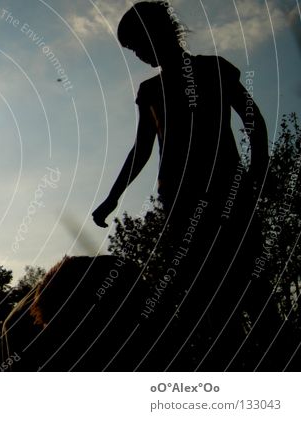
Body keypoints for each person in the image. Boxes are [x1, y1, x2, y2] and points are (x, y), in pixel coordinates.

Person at [91, 1, 270, 369]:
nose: (139, 55)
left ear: (161, 33)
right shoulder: (150, 91)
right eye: (132, 51)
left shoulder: (214, 69)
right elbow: (142, 147)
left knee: (254, 286)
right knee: (208, 298)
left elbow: (254, 122)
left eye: (140, 45)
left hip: (228, 194)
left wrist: (259, 173)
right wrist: (112, 198)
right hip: (180, 204)